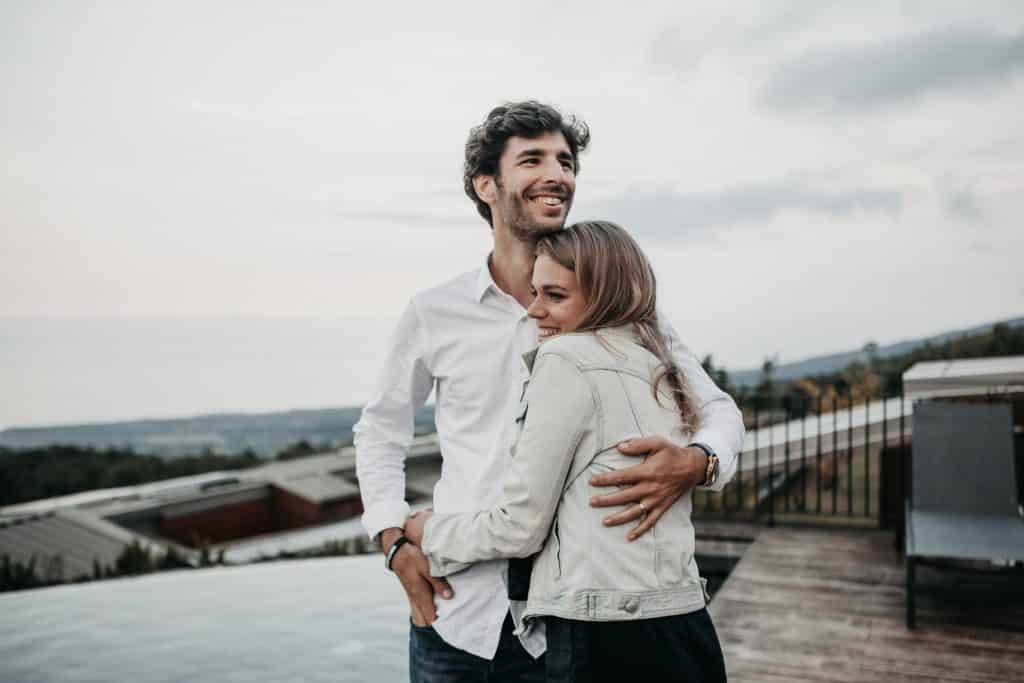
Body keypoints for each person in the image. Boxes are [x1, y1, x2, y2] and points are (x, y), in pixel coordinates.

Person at [354, 101, 744, 682]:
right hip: (455, 612)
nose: (557, 174)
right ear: (486, 185)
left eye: (565, 161)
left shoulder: (624, 312)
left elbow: (716, 408)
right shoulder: (433, 312)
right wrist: (394, 542)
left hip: (569, 627)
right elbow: (380, 432)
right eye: (532, 159)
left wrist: (699, 461)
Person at [405, 220, 729, 682]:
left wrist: (429, 533)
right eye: (536, 293)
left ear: (605, 295)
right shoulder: (657, 362)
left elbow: (520, 527)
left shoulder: (564, 359)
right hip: (685, 624)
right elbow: (721, 412)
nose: (535, 311)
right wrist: (702, 461)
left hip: (604, 637)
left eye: (555, 296)